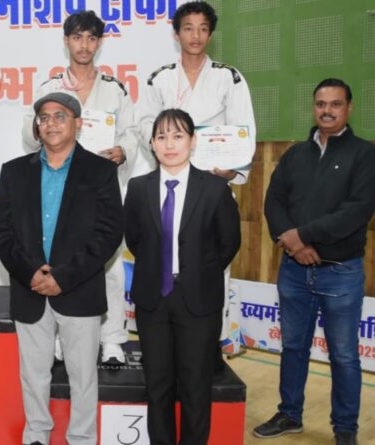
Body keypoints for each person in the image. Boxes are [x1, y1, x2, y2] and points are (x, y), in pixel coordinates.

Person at [0, 92, 123, 445]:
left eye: (60, 116)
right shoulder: (14, 171)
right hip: (29, 288)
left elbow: (109, 232)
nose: (51, 123)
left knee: (83, 376)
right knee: (33, 375)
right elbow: (1, 230)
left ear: (78, 124)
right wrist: (31, 272)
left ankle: (81, 438)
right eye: (44, 117)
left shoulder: (101, 171)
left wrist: (64, 277)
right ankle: (36, 435)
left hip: (79, 289)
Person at [254, 78, 375, 445]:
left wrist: (301, 236)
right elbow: (274, 201)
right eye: (321, 103)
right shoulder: (295, 155)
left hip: (340, 273)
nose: (327, 110)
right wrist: (294, 245)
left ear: (349, 108)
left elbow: (357, 211)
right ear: (314, 107)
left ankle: (345, 429)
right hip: (294, 271)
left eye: (335, 104)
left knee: (344, 355)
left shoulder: (365, 154)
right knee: (293, 348)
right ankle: (290, 414)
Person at [21, 9, 141, 365]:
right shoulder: (49, 89)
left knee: (110, 264)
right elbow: (28, 133)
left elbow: (131, 133)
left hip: (101, 184)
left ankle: (113, 339)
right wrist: (46, 131)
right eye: (77, 37)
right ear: (66, 41)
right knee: (59, 259)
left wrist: (123, 151)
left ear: (99, 43)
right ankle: (58, 337)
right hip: (58, 185)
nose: (84, 45)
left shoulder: (115, 89)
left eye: (91, 38)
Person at [137, 0, 255, 362]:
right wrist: (165, 153)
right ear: (176, 34)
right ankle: (167, 337)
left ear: (211, 34)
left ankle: (211, 345)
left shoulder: (228, 77)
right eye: (188, 28)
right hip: (171, 182)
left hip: (211, 184)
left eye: (203, 29)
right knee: (165, 258)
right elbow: (145, 126)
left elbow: (243, 130)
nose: (196, 36)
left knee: (214, 266)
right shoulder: (159, 78)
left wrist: (231, 167)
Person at [124, 109, 240, 445]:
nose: (169, 144)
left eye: (177, 136)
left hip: (198, 301)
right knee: (157, 386)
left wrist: (197, 273)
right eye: (161, 137)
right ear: (152, 144)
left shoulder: (215, 188)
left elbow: (229, 243)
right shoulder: (138, 188)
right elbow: (134, 240)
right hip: (153, 301)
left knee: (196, 387)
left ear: (192, 140)